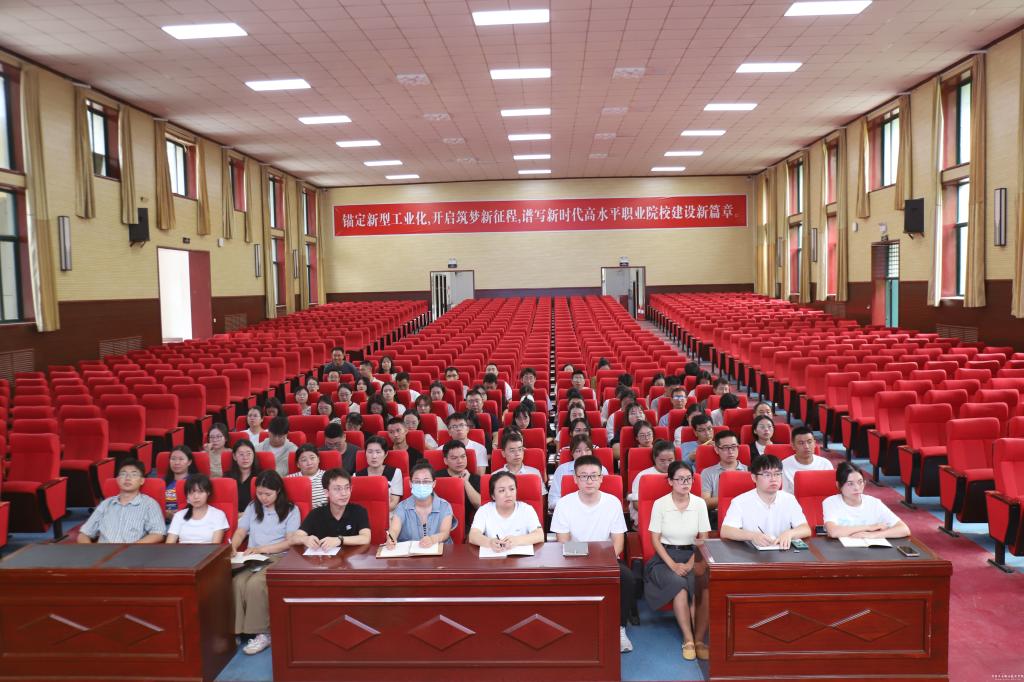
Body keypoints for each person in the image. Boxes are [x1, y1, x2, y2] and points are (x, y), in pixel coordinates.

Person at [551, 455, 635, 653]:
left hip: (606, 559)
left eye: (594, 476)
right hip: (572, 560)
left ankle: (619, 628)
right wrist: (584, 560)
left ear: (601, 478)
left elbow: (618, 543)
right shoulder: (564, 504)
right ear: (575, 479)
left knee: (626, 578)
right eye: (583, 476)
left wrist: (601, 561)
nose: (589, 481)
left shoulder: (612, 503)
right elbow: (562, 542)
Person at [645, 460, 711, 661]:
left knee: (700, 585)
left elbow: (703, 537)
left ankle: (699, 640)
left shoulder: (699, 503)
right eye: (680, 479)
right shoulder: (660, 504)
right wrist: (673, 565)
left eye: (688, 479)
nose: (685, 483)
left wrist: (690, 564)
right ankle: (688, 639)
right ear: (670, 481)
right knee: (678, 585)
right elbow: (655, 539)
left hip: (693, 555)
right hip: (665, 557)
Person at [231, 470, 301, 655]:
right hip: (252, 556)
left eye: (267, 494)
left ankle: (263, 633)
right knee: (237, 582)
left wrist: (263, 549)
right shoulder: (253, 506)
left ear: (278, 491)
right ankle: (237, 631)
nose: (263, 498)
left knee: (255, 584)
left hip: (278, 556)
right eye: (260, 493)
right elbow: (241, 531)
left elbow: (290, 541)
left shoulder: (291, 509)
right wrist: (233, 546)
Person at [720, 455, 812, 549]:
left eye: (777, 474)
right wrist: (753, 536)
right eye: (767, 475)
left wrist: (790, 533)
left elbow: (805, 529)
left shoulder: (789, 499)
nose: (773, 479)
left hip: (783, 553)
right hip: (752, 554)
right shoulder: (739, 502)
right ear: (754, 477)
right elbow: (726, 530)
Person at [77, 458, 166, 544]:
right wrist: (90, 551)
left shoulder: (149, 504)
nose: (127, 478)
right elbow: (84, 534)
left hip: (133, 551)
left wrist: (131, 548)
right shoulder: (106, 504)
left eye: (134, 474)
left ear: (142, 481)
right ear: (118, 480)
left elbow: (158, 534)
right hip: (102, 551)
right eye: (123, 474)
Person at [289, 468, 372, 550]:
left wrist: (339, 540)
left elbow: (366, 538)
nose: (344, 493)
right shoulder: (316, 514)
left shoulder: (358, 511)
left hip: (352, 557)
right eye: (337, 489)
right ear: (326, 492)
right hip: (325, 558)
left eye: (347, 488)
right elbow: (295, 538)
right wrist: (305, 539)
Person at [824, 462, 911, 538]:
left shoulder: (874, 503)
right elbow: (833, 532)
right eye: (850, 484)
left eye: (860, 482)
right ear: (838, 485)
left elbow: (904, 529)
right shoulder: (831, 502)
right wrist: (869, 527)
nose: (857, 488)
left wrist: (873, 535)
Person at [467, 471, 544, 551]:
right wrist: (489, 542)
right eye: (502, 490)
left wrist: (517, 540)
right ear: (493, 496)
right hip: (494, 557)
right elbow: (473, 535)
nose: (508, 494)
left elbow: (539, 535)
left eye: (512, 489)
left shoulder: (527, 509)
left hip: (521, 557)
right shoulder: (484, 510)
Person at [386, 460, 455, 547]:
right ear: (410, 483)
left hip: (439, 552)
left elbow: (445, 533)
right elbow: (394, 530)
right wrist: (391, 538)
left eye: (426, 481)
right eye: (417, 481)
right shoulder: (402, 507)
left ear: (434, 484)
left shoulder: (444, 506)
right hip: (410, 554)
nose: (421, 485)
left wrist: (432, 539)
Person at [549, 434, 608, 510]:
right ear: (572, 453)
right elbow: (552, 501)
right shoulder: (562, 470)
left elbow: (606, 498)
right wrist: (573, 506)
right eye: (578, 451)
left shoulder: (602, 470)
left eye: (587, 450)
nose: (583, 454)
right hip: (568, 511)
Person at [166, 473, 229, 544]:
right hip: (182, 550)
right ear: (187, 496)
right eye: (191, 493)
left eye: (200, 492)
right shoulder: (179, 515)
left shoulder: (218, 515)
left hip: (209, 551)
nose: (196, 497)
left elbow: (215, 546)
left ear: (208, 492)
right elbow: (169, 544)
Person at [629, 439, 677, 525]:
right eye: (662, 461)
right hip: (649, 517)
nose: (667, 464)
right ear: (654, 459)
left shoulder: (679, 474)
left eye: (670, 460)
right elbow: (636, 504)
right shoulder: (643, 476)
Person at [700, 430, 748, 515]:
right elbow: (704, 502)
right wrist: (729, 497)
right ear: (716, 449)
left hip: (745, 513)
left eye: (733, 446)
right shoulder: (707, 473)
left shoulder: (749, 471)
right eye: (725, 447)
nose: (730, 451)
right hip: (718, 514)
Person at [434, 440, 481, 521]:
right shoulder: (435, 477)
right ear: (445, 460)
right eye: (454, 458)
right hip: (438, 521)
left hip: (465, 524)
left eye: (463, 456)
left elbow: (479, 505)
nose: (460, 461)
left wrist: (465, 482)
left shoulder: (475, 478)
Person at [354, 436, 402, 511]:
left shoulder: (395, 472)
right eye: (370, 452)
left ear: (385, 454)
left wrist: (377, 513)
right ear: (365, 453)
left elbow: (393, 503)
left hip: (387, 513)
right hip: (363, 515)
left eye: (378, 452)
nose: (374, 456)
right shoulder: (357, 476)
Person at [781, 426, 834, 494]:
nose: (806, 446)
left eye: (809, 442)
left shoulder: (826, 464)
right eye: (801, 443)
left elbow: (831, 491)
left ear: (814, 443)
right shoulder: (784, 465)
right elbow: (783, 494)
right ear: (793, 446)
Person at [493, 430, 546, 495]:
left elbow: (541, 499)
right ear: (503, 453)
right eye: (512, 450)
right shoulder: (494, 476)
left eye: (520, 449)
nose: (517, 454)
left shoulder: (534, 473)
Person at [162, 445, 198, 520]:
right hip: (162, 519)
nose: (177, 462)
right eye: (173, 459)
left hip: (187, 519)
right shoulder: (162, 482)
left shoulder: (196, 482)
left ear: (189, 462)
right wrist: (165, 513)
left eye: (181, 459)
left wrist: (178, 515)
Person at [286, 444, 326, 508]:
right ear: (298, 464)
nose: (309, 463)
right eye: (304, 460)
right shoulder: (289, 479)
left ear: (318, 459)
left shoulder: (328, 476)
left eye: (312, 458)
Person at [226, 439, 261, 512]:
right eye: (241, 454)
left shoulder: (261, 476)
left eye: (249, 454)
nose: (245, 458)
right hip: (232, 516)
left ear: (254, 455)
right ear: (234, 456)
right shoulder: (227, 478)